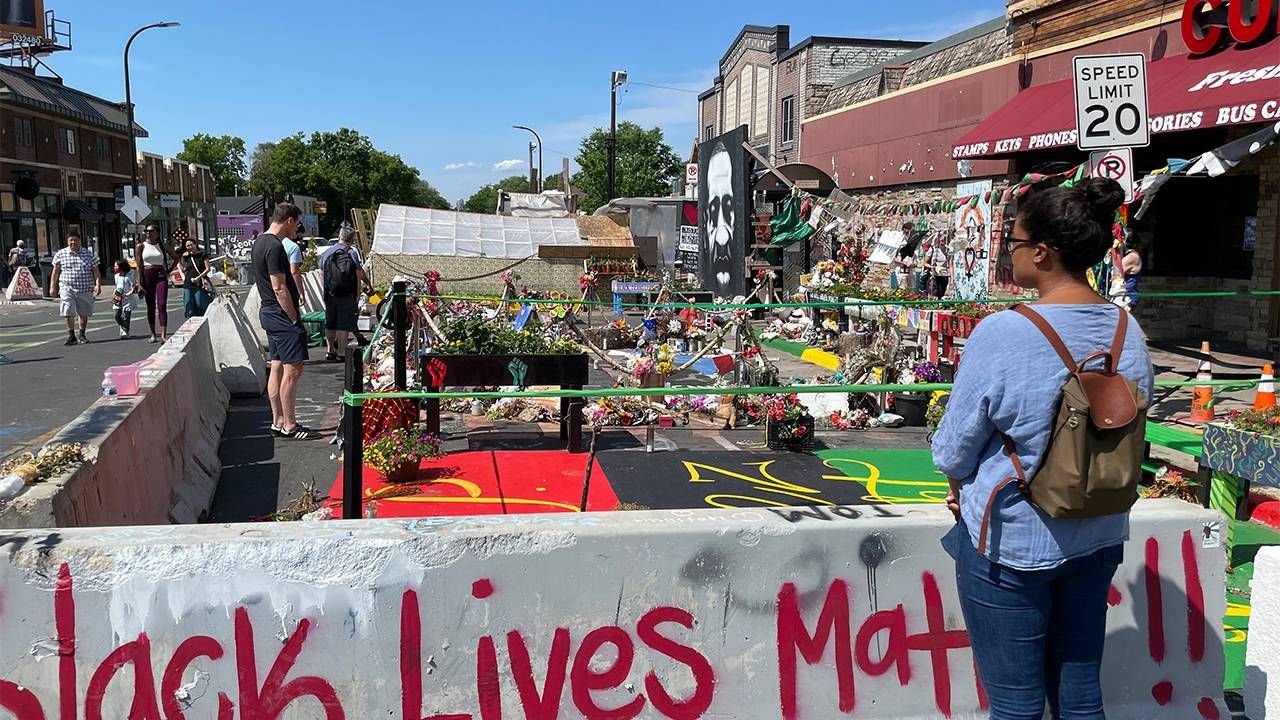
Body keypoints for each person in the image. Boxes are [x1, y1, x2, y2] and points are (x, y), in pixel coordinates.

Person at [931, 177, 1153, 719]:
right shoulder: (1129, 330)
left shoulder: (1004, 332)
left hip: (1014, 539)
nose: (1010, 252)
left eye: (1013, 241)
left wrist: (961, 483)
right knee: (1080, 697)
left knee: (1015, 703)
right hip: (1098, 532)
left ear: (1041, 252)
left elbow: (954, 450)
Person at [253, 202, 312, 440]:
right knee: (293, 369)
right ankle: (290, 424)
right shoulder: (276, 247)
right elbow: (279, 287)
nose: (296, 229)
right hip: (279, 314)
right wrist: (293, 317)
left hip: (267, 311)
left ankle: (277, 420)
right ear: (289, 220)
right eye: (296, 223)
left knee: (276, 366)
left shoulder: (259, 242)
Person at [319, 224, 372, 362]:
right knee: (343, 324)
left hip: (330, 293)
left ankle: (330, 351)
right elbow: (359, 273)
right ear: (352, 239)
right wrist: (368, 283)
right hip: (347, 294)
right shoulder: (351, 253)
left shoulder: (327, 252)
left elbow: (321, 273)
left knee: (330, 323)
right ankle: (341, 353)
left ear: (339, 237)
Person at [49, 232, 101, 345]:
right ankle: (71, 335)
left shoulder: (88, 254)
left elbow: (96, 271)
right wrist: (52, 287)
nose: (73, 242)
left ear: (80, 241)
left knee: (83, 313)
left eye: (75, 240)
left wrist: (98, 285)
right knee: (68, 310)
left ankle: (82, 334)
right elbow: (55, 272)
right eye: (70, 240)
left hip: (85, 287)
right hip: (67, 287)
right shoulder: (61, 254)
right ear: (68, 242)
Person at [135, 225, 179, 343]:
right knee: (150, 305)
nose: (148, 233)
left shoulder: (162, 245)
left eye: (151, 231)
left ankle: (163, 334)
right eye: (146, 231)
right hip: (147, 274)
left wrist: (169, 270)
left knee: (162, 304)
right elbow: (138, 266)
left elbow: (176, 257)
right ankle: (153, 334)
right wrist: (139, 283)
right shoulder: (141, 246)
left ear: (157, 233)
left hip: (160, 274)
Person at [180, 240, 213, 318]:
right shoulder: (186, 257)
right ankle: (190, 321)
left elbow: (208, 268)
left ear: (195, 244)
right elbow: (184, 269)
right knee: (188, 305)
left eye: (191, 245)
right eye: (188, 246)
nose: (190, 247)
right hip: (188, 284)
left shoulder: (202, 254)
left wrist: (199, 278)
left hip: (199, 284)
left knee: (200, 304)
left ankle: (204, 319)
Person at [111, 260, 139, 339]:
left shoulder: (129, 276)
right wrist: (114, 294)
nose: (115, 268)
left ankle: (125, 331)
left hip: (127, 298)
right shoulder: (116, 276)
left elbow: (133, 287)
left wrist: (127, 294)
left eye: (116, 266)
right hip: (118, 298)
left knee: (127, 315)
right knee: (116, 315)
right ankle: (123, 326)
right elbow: (116, 286)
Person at [282, 223, 307, 310]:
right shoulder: (293, 247)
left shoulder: (275, 242)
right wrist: (301, 292)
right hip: (290, 286)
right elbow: (295, 272)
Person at [892, 223, 919, 291]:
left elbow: (916, 259)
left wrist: (913, 264)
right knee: (902, 289)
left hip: (911, 270)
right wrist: (904, 262)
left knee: (911, 289)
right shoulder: (899, 243)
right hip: (901, 269)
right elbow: (893, 258)